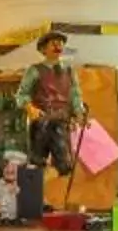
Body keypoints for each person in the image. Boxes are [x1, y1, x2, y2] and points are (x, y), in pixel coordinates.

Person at [21, 30, 84, 181]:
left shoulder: (69, 71)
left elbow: (75, 95)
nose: (58, 46)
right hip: (41, 121)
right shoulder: (34, 70)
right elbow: (22, 94)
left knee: (65, 164)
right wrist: (30, 107)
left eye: (60, 43)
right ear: (43, 49)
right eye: (53, 43)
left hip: (61, 121)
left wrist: (79, 112)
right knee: (36, 162)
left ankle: (51, 193)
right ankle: (39, 197)